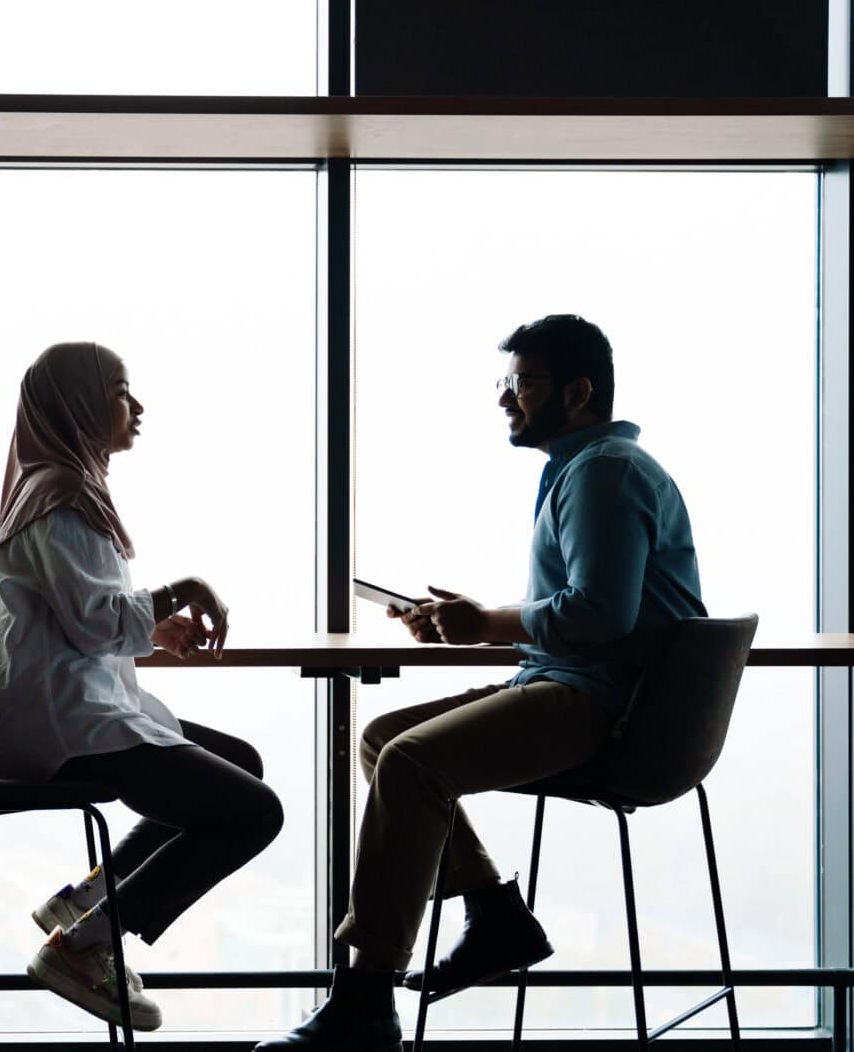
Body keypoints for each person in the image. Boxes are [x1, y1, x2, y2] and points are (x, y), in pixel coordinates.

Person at [256, 314, 706, 1052]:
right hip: (578, 683)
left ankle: (367, 998)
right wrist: (478, 621)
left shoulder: (602, 471)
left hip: (608, 705)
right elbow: (588, 607)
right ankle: (495, 913)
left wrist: (488, 621)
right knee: (381, 739)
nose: (507, 399)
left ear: (580, 389)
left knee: (409, 762)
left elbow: (600, 614)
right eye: (508, 383)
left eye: (523, 383)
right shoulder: (586, 465)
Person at [0, 341, 284, 1032]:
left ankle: (90, 898)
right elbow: (94, 619)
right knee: (257, 811)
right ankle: (84, 943)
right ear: (80, 404)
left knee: (242, 765)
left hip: (55, 712)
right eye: (119, 391)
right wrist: (182, 591)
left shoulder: (53, 484)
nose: (136, 407)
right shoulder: (63, 496)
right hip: (61, 729)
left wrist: (153, 630)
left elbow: (80, 616)